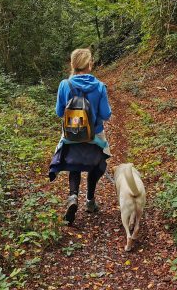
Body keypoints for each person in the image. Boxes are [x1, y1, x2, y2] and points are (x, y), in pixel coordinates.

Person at [48, 48, 112, 224]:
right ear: (89, 64)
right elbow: (106, 115)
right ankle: (90, 201)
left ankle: (73, 197)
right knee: (98, 165)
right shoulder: (99, 86)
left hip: (71, 135)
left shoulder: (64, 85)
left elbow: (59, 111)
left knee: (73, 165)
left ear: (73, 65)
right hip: (94, 136)